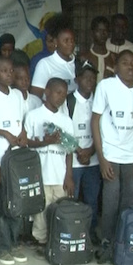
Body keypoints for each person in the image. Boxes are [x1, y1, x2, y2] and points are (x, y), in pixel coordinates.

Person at [91, 50, 133, 264]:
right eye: (125, 63)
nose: (130, 67)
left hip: (130, 153)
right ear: (116, 67)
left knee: (128, 197)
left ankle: (122, 238)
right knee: (111, 197)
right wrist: (102, 157)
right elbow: (95, 121)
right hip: (110, 152)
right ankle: (106, 239)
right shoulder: (106, 86)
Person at [0, 55, 28, 265]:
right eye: (4, 71)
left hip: (17, 157)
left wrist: (22, 135)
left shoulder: (18, 95)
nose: (9, 75)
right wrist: (6, 135)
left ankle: (14, 241)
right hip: (1, 156)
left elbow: (24, 121)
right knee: (0, 204)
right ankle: (1, 246)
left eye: (11, 71)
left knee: (18, 202)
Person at [24, 78, 75, 253]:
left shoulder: (66, 120)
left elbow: (70, 151)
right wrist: (45, 142)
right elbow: (26, 144)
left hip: (60, 175)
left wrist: (69, 175)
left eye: (64, 94)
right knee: (41, 212)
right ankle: (41, 242)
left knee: (59, 209)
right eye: (57, 92)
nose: (61, 97)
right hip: (41, 174)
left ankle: (57, 240)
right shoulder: (33, 116)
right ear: (47, 92)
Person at [68, 61, 101, 243]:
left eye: (93, 78)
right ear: (77, 79)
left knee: (92, 200)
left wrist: (91, 151)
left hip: (93, 160)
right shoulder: (69, 101)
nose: (90, 81)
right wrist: (80, 151)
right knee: (72, 198)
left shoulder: (98, 100)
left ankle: (90, 233)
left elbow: (102, 130)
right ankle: (73, 231)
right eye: (86, 77)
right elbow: (63, 131)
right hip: (74, 160)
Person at [31, 16, 78, 98]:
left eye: (72, 40)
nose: (70, 44)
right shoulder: (45, 64)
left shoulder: (78, 63)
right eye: (66, 41)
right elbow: (36, 97)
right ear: (56, 41)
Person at [79, 16, 115, 82]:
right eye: (99, 30)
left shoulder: (114, 58)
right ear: (92, 33)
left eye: (105, 31)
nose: (102, 34)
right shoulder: (84, 57)